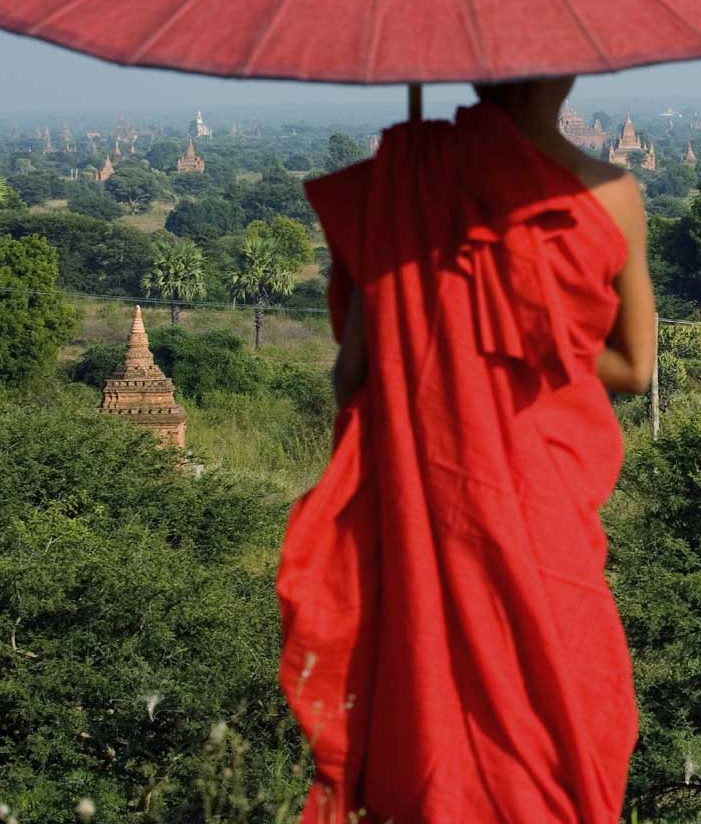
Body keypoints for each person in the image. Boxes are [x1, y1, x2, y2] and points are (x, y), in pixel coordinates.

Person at [276, 77, 655, 824]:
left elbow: (352, 377)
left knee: (425, 702)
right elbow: (635, 367)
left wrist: (427, 318)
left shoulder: (402, 185)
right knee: (561, 704)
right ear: (569, 72)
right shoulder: (609, 192)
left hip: (426, 501)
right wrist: (528, 339)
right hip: (545, 508)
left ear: (477, 74)